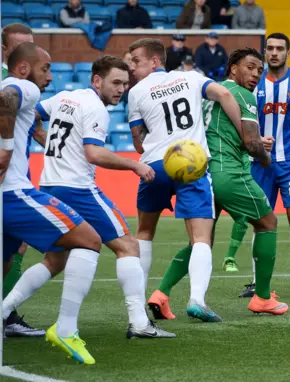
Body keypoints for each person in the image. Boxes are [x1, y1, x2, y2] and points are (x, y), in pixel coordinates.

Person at [4, 56, 175, 340]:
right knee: (128, 246)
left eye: (125, 84)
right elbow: (94, 154)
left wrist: (43, 138)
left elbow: (32, 116)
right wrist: (135, 164)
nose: (121, 89)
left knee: (55, 260)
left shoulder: (64, 97)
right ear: (96, 80)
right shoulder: (97, 108)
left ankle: (3, 311)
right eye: (115, 83)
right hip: (78, 189)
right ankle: (139, 323)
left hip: (49, 186)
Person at [149, 47, 289, 317]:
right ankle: (262, 297)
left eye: (259, 70)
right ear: (233, 68)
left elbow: (228, 133)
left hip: (201, 174)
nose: (256, 74)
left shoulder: (205, 95)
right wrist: (265, 156)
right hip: (229, 173)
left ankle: (161, 294)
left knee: (200, 242)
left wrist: (258, 143)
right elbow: (250, 143)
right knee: (268, 223)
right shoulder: (243, 95)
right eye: (250, 67)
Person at [126, 38, 243, 322]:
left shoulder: (136, 91)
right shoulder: (191, 78)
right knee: (202, 237)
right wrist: (243, 134)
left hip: (154, 165)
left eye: (136, 61)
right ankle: (197, 300)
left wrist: (151, 147)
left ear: (155, 61)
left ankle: (138, 306)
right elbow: (226, 96)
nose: (132, 68)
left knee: (144, 233)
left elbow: (137, 141)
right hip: (192, 164)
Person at [0, 42, 102, 364]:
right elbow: (7, 100)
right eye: (46, 69)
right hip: (13, 194)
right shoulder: (22, 86)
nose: (49, 77)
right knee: (89, 240)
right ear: (24, 68)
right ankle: (66, 329)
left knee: (26, 262)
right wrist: (5, 149)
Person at [221, 34, 290, 299]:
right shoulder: (252, 82)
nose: (274, 53)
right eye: (270, 49)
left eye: (280, 49)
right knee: (259, 221)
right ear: (265, 52)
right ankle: (255, 281)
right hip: (259, 162)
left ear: (289, 52)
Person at [0, 23, 41, 338]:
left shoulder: (23, 80)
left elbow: (37, 125)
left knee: (15, 245)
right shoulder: (11, 84)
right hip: (8, 174)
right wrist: (7, 148)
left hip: (18, 174)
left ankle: (6, 313)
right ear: (4, 50)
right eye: (19, 46)